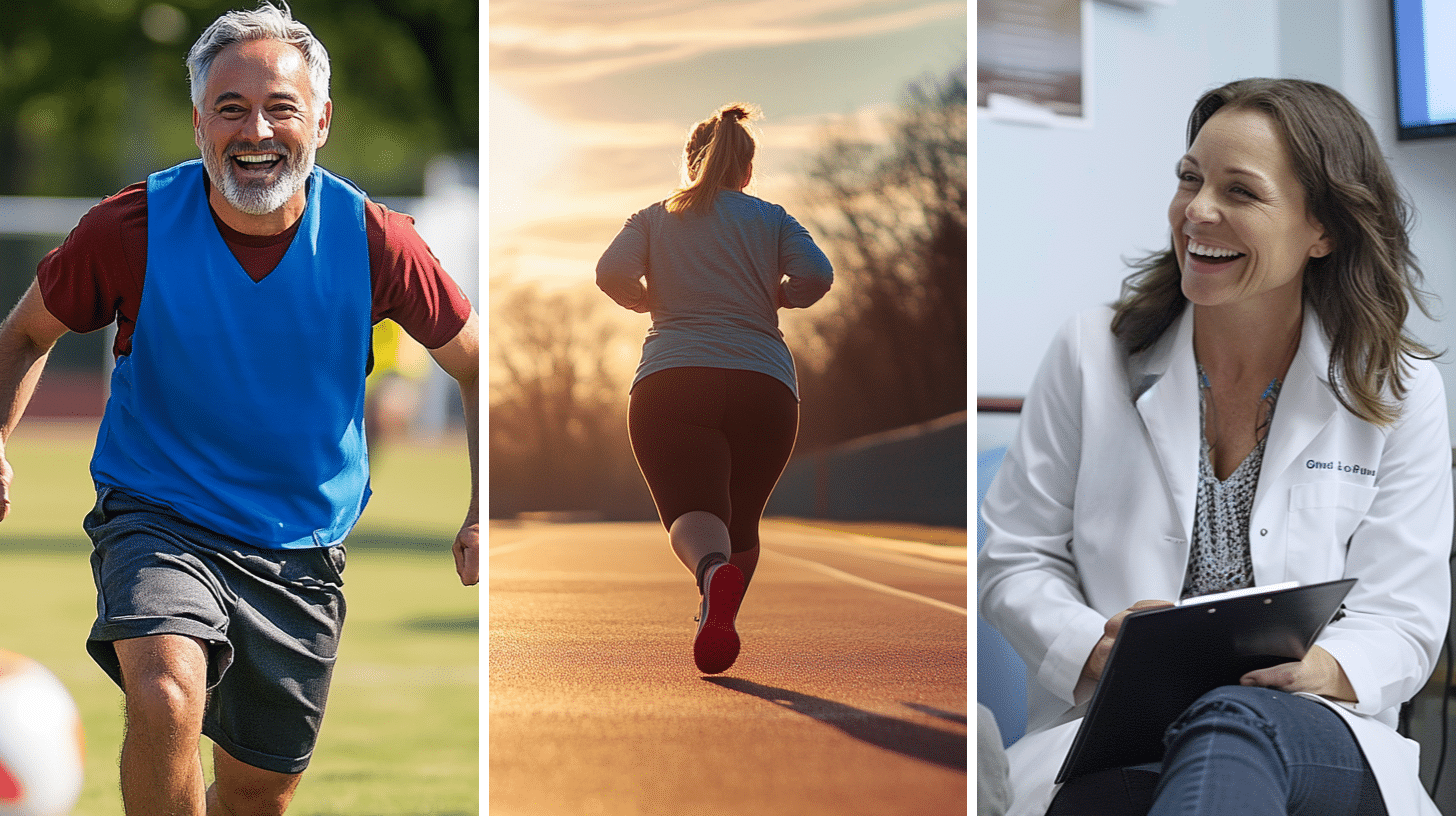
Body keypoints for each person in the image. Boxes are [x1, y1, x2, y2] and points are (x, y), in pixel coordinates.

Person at [0, 4, 479, 815]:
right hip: (157, 513)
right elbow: (21, 336)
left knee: (257, 794)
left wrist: (485, 507)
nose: (255, 130)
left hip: (301, 546)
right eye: (231, 109)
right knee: (164, 695)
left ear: (320, 121)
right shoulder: (131, 227)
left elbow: (478, 366)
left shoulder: (376, 241)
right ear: (197, 124)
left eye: (280, 108)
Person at [977, 77, 1452, 815]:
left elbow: (1405, 613)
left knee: (1232, 721)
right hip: (1119, 732)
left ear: (1321, 229)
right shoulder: (1089, 352)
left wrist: (1322, 669)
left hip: (1313, 734)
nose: (1197, 210)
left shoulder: (1399, 388)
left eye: (1241, 192)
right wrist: (1095, 648)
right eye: (1190, 179)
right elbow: (1014, 557)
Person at [596, 102, 833, 675]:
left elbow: (609, 272)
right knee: (742, 520)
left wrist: (649, 299)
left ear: (688, 163)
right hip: (765, 385)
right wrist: (778, 296)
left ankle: (710, 576)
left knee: (692, 511)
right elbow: (819, 275)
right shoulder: (773, 218)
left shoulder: (655, 217)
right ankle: (714, 614)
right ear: (745, 172)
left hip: (674, 377)